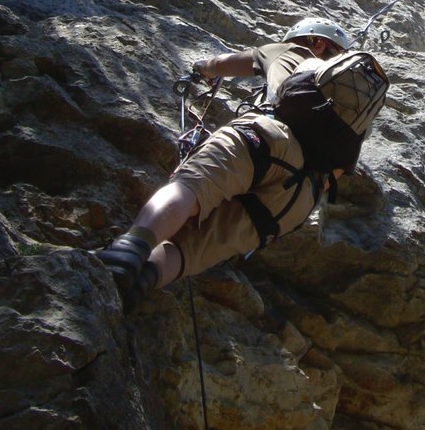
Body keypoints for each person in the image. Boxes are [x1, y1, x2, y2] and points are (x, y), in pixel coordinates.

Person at [98, 17, 354, 312]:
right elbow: (337, 172)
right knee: (194, 248)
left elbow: (224, 64)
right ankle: (140, 284)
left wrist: (202, 68)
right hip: (298, 198)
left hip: (269, 138)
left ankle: (128, 251)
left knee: (192, 186)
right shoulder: (353, 107)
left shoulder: (296, 53)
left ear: (317, 42)